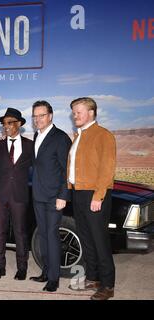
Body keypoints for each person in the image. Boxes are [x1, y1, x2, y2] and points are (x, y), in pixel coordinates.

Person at [67, 97, 116, 300]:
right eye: (73, 112)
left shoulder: (103, 135)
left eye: (78, 111)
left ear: (91, 113)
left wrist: (98, 196)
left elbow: (107, 168)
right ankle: (93, 277)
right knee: (86, 239)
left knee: (99, 240)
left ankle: (107, 286)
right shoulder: (78, 136)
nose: (74, 115)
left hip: (94, 194)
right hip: (78, 193)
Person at [29, 101, 72, 292]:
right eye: (35, 116)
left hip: (55, 197)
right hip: (38, 195)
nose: (38, 119)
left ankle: (54, 278)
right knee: (43, 236)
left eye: (41, 115)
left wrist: (64, 194)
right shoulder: (36, 136)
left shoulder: (61, 138)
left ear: (50, 116)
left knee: (52, 236)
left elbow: (67, 170)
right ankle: (46, 271)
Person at [0, 108, 33, 280]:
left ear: (19, 124)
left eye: (9, 123)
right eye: (3, 124)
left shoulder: (30, 145)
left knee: (21, 233)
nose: (5, 126)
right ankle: (0, 267)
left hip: (20, 196)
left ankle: (22, 268)